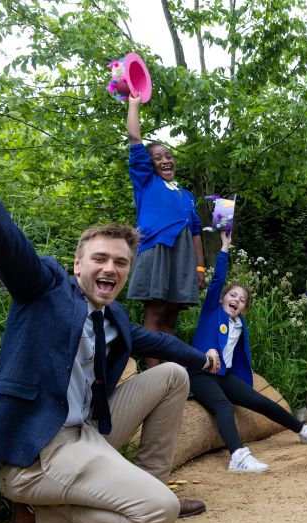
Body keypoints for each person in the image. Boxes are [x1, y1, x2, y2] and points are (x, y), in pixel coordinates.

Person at [0, 73, 213, 523]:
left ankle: (147, 481)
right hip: (44, 443)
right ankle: (36, 506)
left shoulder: (114, 315)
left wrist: (203, 360)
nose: (110, 268)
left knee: (173, 375)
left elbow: (156, 343)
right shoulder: (44, 288)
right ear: (77, 264)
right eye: (99, 258)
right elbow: (1, 236)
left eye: (120, 262)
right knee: (155, 516)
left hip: (91, 429)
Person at [188, 230, 307, 472]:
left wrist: (244, 382)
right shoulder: (213, 312)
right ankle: (238, 457)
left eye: (242, 299)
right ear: (222, 299)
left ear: (244, 308)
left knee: (261, 402)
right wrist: (224, 247)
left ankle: (302, 430)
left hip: (225, 376)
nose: (236, 300)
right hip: (199, 373)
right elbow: (217, 281)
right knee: (223, 406)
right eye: (232, 295)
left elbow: (239, 357)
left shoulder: (240, 324)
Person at [126, 95, 206, 368]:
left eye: (169, 155)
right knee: (156, 312)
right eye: (158, 157)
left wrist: (199, 268)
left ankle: (171, 374)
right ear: (150, 165)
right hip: (157, 250)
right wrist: (134, 103)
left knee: (172, 317)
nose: (165, 160)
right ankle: (153, 376)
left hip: (183, 258)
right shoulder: (146, 182)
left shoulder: (186, 195)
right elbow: (135, 139)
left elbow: (195, 231)